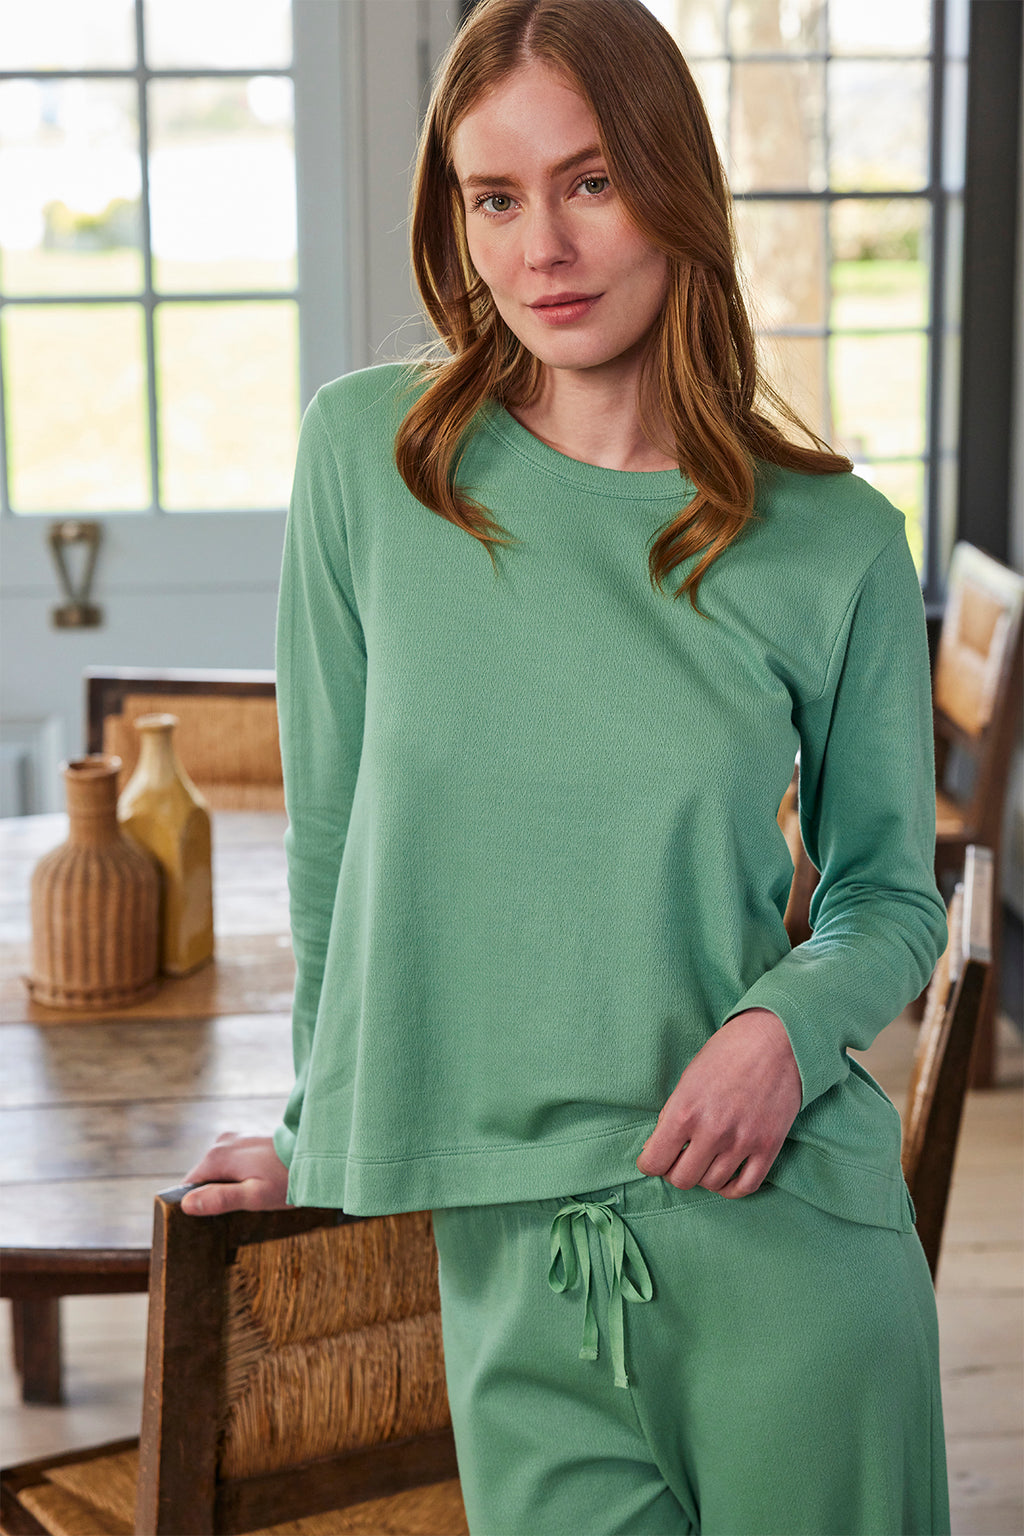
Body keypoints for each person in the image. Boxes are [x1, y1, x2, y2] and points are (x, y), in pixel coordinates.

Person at [183, 2, 950, 1531]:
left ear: (673, 184)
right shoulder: (367, 466)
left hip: (785, 1240)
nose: (545, 245)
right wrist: (318, 1121)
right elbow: (338, 850)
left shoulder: (835, 540)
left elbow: (889, 897)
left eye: (591, 181)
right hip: (509, 1264)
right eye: (497, 195)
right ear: (456, 221)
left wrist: (782, 1035)